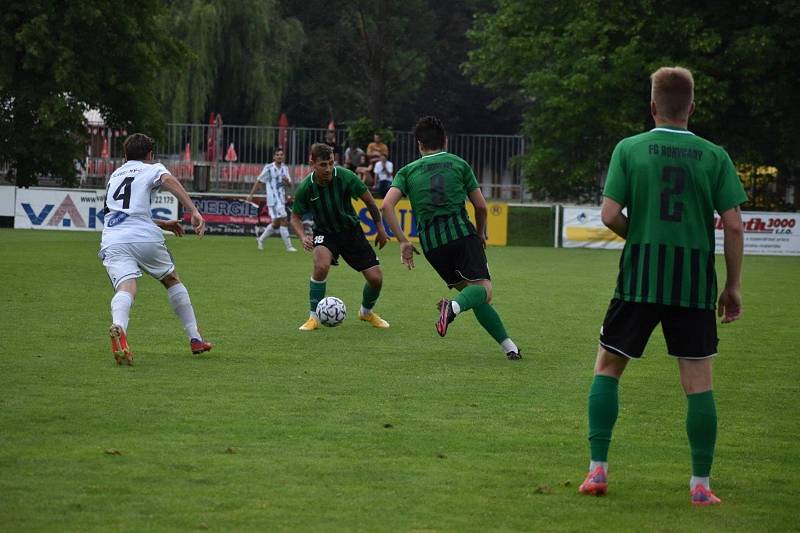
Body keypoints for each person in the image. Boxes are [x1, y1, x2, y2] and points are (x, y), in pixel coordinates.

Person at [577, 67, 746, 506]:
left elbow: (610, 214)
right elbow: (733, 226)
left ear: (652, 106)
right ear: (691, 107)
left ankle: (597, 470)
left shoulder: (629, 148)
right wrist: (732, 287)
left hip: (639, 278)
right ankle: (700, 485)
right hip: (692, 285)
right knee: (698, 384)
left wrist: (639, 234)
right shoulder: (714, 156)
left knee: (608, 369)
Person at [381, 116, 521, 360]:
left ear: (419, 144)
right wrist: (479, 234)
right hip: (460, 234)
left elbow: (387, 206)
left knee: (473, 295)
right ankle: (452, 307)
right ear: (444, 140)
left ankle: (510, 347)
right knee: (484, 292)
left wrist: (403, 240)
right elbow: (480, 207)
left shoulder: (407, 171)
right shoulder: (458, 163)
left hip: (432, 245)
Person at [100, 133, 213, 366]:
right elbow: (169, 181)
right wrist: (193, 210)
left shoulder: (114, 176)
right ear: (150, 155)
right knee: (171, 279)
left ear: (125, 155)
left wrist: (164, 223)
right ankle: (195, 338)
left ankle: (119, 326)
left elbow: (121, 215)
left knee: (126, 287)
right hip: (144, 237)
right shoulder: (152, 168)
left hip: (113, 238)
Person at [290, 143, 390, 331]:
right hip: (325, 233)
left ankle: (366, 312)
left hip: (351, 232)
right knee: (321, 266)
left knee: (376, 279)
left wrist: (381, 229)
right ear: (312, 163)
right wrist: (303, 236)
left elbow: (369, 201)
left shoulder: (346, 177)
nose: (328, 169)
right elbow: (295, 217)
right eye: (322, 165)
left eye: (330, 163)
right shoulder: (306, 187)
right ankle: (313, 318)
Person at [247, 147, 297, 252]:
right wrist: (251, 195)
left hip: (281, 199)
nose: (279, 156)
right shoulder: (269, 168)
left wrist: (286, 181)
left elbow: (289, 185)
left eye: (281, 155)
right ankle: (289, 247)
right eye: (277, 155)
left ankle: (260, 240)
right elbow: (259, 181)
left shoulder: (285, 168)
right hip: (273, 200)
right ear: (274, 157)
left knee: (276, 223)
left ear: (283, 157)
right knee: (284, 220)